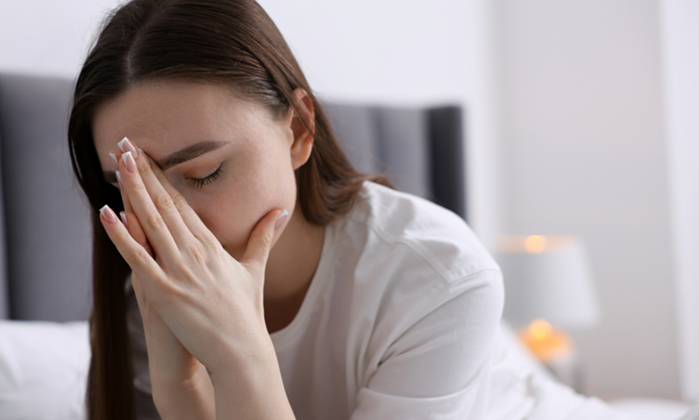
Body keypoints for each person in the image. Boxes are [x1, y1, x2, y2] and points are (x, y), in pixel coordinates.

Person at [68, 1, 636, 419]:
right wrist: (181, 391)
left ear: (299, 129)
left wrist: (240, 356)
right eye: (132, 189)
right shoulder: (144, 309)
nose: (175, 224)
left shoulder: (433, 276)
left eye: (203, 173)